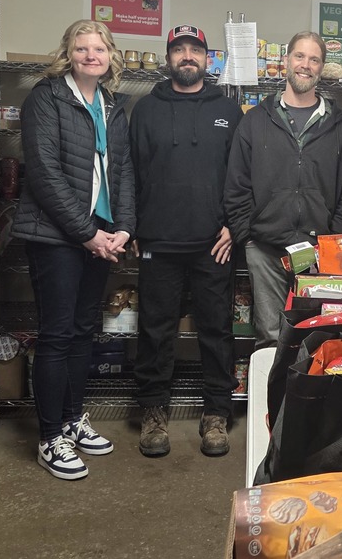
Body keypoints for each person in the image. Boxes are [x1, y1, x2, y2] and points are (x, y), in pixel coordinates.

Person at [12, 19, 134, 481]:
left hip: (100, 236)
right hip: (57, 237)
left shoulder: (111, 105)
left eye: (99, 48)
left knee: (85, 331)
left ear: (110, 55)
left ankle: (72, 420)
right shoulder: (46, 98)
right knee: (58, 334)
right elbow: (44, 173)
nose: (91, 55)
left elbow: (123, 172)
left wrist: (123, 227)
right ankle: (49, 438)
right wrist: (86, 233)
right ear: (68, 53)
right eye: (82, 48)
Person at [130, 24, 242, 459]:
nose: (188, 56)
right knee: (155, 330)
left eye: (195, 49)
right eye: (179, 49)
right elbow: (130, 172)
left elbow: (241, 175)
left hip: (214, 242)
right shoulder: (146, 110)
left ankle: (216, 414)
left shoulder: (228, 110)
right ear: (168, 58)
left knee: (217, 330)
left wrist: (233, 226)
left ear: (207, 58)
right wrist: (133, 226)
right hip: (158, 240)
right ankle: (153, 412)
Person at [224, 31, 342, 348]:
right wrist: (248, 236)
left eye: (314, 59)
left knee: (317, 340)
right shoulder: (255, 120)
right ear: (287, 60)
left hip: (319, 254)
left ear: (321, 67)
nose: (305, 65)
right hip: (265, 250)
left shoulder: (340, 125)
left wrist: (332, 242)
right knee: (270, 338)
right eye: (299, 56)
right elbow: (236, 184)